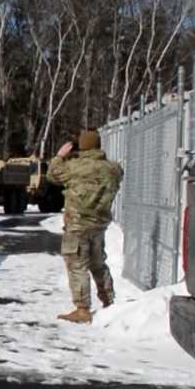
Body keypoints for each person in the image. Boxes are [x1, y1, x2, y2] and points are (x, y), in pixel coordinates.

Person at [47, 130, 124, 324]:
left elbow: (52, 175)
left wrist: (59, 156)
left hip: (77, 224)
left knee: (77, 264)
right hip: (100, 223)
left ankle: (82, 309)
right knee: (98, 263)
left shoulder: (74, 167)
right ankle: (108, 300)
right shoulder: (113, 169)